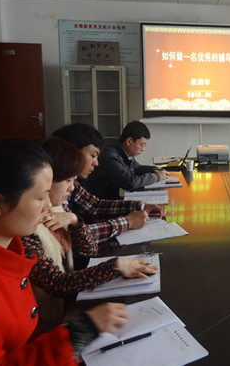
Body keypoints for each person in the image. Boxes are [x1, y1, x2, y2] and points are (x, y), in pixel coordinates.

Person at [0, 138, 128, 364]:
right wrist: (80, 332)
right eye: (40, 197)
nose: (48, 206)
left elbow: (25, 334)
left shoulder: (8, 247)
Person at [22, 137, 157, 330]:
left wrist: (76, 222)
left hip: (65, 306)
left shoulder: (57, 208)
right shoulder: (28, 227)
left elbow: (89, 249)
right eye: (68, 180)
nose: (72, 187)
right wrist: (115, 266)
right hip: (47, 323)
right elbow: (55, 283)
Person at [52, 123, 165, 244]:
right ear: (72, 153)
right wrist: (127, 222)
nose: (96, 163)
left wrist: (139, 206)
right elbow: (72, 238)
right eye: (93, 156)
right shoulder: (55, 187)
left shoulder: (71, 182)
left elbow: (94, 206)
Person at [82, 121, 169, 200]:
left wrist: (155, 170)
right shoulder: (110, 157)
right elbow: (131, 182)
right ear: (129, 141)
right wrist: (157, 176)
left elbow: (137, 168)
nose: (143, 149)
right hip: (100, 202)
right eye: (142, 145)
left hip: (109, 200)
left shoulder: (123, 152)